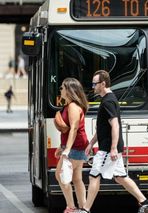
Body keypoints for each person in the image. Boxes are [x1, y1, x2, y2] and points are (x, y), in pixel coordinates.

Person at [77, 70, 148, 213]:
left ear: (103, 83)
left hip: (108, 148)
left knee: (94, 175)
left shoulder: (108, 101)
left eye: (95, 83)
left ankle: (85, 209)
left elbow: (115, 125)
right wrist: (91, 143)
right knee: (120, 177)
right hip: (110, 146)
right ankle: (145, 203)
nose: (93, 86)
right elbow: (103, 127)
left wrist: (113, 148)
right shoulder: (108, 99)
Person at [54, 78, 89, 213]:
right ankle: (83, 208)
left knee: (61, 175)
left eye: (62, 87)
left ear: (69, 90)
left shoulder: (73, 107)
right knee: (76, 178)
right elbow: (69, 130)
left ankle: (71, 208)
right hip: (76, 146)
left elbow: (74, 128)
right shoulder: (69, 106)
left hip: (75, 147)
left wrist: (66, 149)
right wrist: (61, 146)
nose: (60, 90)